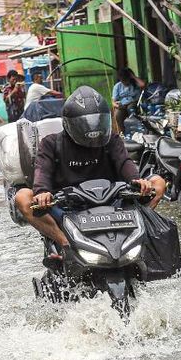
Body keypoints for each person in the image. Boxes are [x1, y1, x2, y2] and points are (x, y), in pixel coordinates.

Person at [13, 86, 166, 259]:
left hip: (112, 203)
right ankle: (65, 245)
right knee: (22, 197)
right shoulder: (51, 143)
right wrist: (42, 193)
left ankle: (137, 234)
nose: (93, 130)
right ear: (70, 123)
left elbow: (124, 162)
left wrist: (137, 181)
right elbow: (42, 171)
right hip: (67, 207)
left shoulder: (112, 140)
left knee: (158, 183)